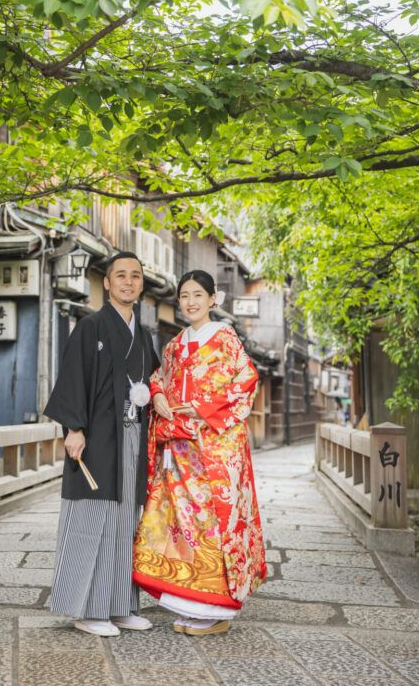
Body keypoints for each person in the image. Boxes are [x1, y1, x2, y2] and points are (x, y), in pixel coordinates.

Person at [133, 269, 267, 636]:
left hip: (214, 448)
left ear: (213, 299)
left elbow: (245, 381)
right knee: (183, 523)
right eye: (185, 296)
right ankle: (191, 600)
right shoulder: (176, 345)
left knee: (212, 522)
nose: (191, 302)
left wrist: (204, 407)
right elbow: (159, 378)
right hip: (179, 446)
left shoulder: (225, 338)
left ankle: (216, 606)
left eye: (198, 295)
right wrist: (158, 395)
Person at [45, 251, 159, 637]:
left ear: (142, 284)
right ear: (106, 283)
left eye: (136, 276)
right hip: (97, 438)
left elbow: (155, 382)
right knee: (91, 519)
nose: (129, 282)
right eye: (121, 275)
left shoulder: (143, 336)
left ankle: (121, 605)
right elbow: (74, 376)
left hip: (132, 437)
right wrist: (74, 428)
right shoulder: (90, 327)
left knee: (126, 521)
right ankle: (87, 609)